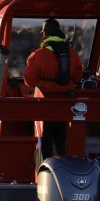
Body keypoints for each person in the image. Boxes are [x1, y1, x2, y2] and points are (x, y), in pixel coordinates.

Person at [24, 18, 83, 158]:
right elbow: (77, 77)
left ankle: (45, 164)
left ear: (44, 34)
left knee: (46, 138)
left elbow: (29, 81)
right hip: (66, 105)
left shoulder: (37, 55)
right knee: (61, 139)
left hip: (45, 105)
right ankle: (65, 162)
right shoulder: (72, 54)